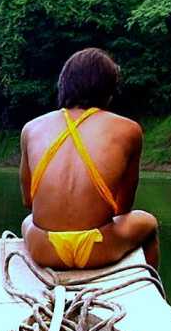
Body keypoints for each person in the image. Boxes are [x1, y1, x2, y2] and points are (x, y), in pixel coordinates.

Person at [19, 48, 159, 270]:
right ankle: (153, 287)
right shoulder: (128, 129)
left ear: (63, 84)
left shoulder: (31, 128)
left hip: (45, 250)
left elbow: (28, 201)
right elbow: (123, 208)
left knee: (28, 222)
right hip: (98, 249)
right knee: (148, 223)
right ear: (108, 90)